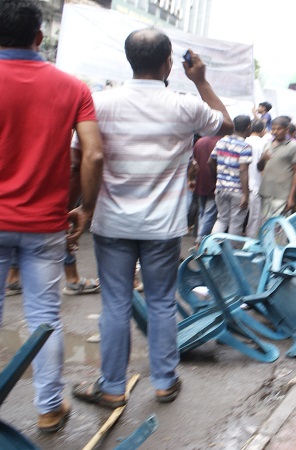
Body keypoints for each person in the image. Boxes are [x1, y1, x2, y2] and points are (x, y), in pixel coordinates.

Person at [70, 29, 233, 409]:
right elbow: (226, 125)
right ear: (168, 62)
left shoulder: (99, 102)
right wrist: (202, 81)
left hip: (111, 224)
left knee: (115, 305)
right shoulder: (184, 105)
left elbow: (80, 158)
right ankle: (164, 381)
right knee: (161, 302)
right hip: (163, 226)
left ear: (130, 59)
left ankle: (111, 386)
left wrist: (80, 207)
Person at [0, 0, 104, 432]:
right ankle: (49, 407)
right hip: (45, 225)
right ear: (39, 36)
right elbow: (94, 153)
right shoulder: (72, 87)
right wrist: (85, 207)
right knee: (45, 317)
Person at [209, 115, 253, 236]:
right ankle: (231, 252)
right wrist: (245, 194)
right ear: (248, 127)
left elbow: (210, 161)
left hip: (221, 188)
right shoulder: (245, 147)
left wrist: (219, 176)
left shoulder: (221, 141)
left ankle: (212, 248)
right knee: (236, 223)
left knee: (221, 219)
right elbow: (243, 170)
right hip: (237, 190)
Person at [257, 116, 296, 221]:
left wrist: (291, 197)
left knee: (278, 225)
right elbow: (260, 168)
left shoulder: (294, 147)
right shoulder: (267, 144)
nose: (275, 132)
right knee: (265, 223)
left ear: (286, 130)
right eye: (273, 129)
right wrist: (262, 159)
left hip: (282, 194)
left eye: (278, 129)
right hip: (266, 192)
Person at [191, 133, 221, 245]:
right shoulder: (221, 142)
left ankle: (200, 236)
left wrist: (192, 178)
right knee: (209, 213)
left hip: (200, 181)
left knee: (202, 212)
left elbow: (194, 162)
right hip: (213, 182)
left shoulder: (200, 142)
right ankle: (200, 239)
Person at [245, 119, 269, 237]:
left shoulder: (244, 141)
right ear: (262, 130)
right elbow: (263, 166)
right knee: (255, 216)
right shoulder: (264, 143)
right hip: (257, 183)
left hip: (243, 183)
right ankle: (251, 240)